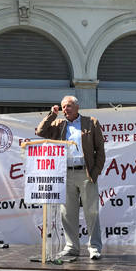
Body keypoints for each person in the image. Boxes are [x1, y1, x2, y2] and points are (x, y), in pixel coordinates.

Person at [35, 95, 106, 260]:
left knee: (91, 211)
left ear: (77, 107)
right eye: (63, 107)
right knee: (67, 213)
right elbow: (40, 132)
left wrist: (95, 173)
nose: (65, 109)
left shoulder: (91, 122)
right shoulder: (59, 124)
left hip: (85, 172)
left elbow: (100, 150)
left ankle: (94, 247)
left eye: (68, 106)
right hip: (65, 172)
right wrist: (52, 115)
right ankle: (71, 247)